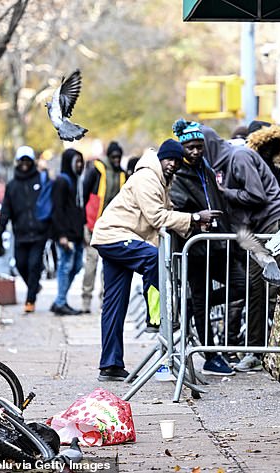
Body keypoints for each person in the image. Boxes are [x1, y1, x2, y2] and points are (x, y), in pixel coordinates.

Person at [91, 140, 221, 381]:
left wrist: (193, 226)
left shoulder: (162, 179)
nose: (172, 164)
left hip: (117, 237)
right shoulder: (148, 177)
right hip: (115, 236)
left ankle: (110, 365)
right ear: (160, 158)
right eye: (168, 159)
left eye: (175, 161)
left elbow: (168, 212)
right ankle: (156, 316)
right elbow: (156, 216)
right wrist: (194, 217)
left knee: (114, 304)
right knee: (153, 259)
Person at [201, 125, 280, 372]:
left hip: (272, 224)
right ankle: (256, 351)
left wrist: (224, 192)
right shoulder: (221, 164)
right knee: (254, 291)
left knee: (272, 291)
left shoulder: (239, 156)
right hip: (255, 232)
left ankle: (279, 352)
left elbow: (256, 195)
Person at [170, 119, 246, 375]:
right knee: (202, 299)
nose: (195, 151)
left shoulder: (206, 168)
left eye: (199, 146)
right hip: (196, 247)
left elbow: (218, 203)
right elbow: (176, 209)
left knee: (242, 285)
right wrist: (196, 216)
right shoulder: (178, 174)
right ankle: (210, 356)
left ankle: (192, 308)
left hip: (219, 245)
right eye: (190, 147)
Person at [0, 146, 49, 313]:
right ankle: (34, 286)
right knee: (21, 264)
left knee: (34, 265)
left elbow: (49, 204)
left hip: (39, 233)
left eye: (28, 160)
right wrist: (0, 229)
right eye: (22, 160)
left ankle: (30, 300)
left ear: (32, 162)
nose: (25, 164)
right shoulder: (12, 186)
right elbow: (6, 210)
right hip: (21, 234)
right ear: (18, 162)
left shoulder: (41, 180)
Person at [81, 141, 126, 313]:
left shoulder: (122, 174)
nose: (116, 160)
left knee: (108, 265)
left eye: (118, 157)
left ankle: (104, 300)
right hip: (93, 224)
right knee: (91, 263)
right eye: (113, 156)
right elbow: (84, 196)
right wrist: (83, 222)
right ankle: (86, 299)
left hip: (113, 226)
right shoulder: (96, 171)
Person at [50, 148, 85, 315]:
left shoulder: (77, 181)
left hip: (76, 234)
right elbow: (57, 210)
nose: (79, 165)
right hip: (66, 234)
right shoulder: (62, 182)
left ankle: (59, 299)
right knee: (65, 266)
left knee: (77, 266)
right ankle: (61, 302)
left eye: (80, 162)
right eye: (76, 162)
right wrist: (62, 235)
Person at [245, 124, 280, 194]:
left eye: (272, 145)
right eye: (265, 145)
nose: (269, 149)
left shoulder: (275, 167)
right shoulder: (249, 164)